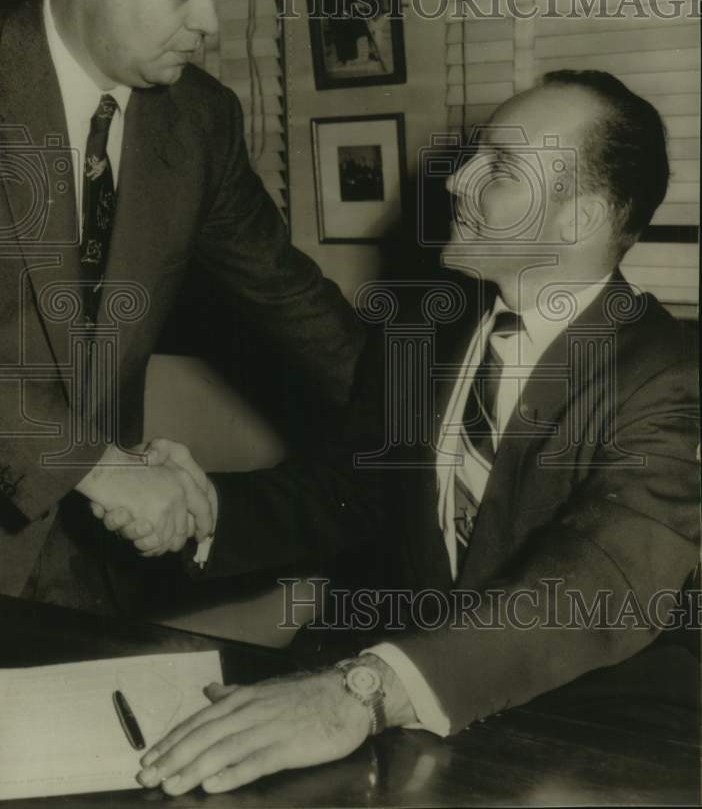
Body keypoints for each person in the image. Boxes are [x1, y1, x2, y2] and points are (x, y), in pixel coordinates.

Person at [103, 71, 698, 796]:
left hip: (580, 743)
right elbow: (349, 492)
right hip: (407, 721)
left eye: (500, 168)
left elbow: (597, 582)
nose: (459, 182)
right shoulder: (428, 328)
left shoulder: (666, 376)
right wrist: (201, 513)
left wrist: (365, 689)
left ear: (581, 218)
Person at [0, 0, 363, 611]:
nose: (210, 25)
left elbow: (288, 297)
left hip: (82, 562)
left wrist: (437, 412)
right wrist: (95, 463)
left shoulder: (199, 122)